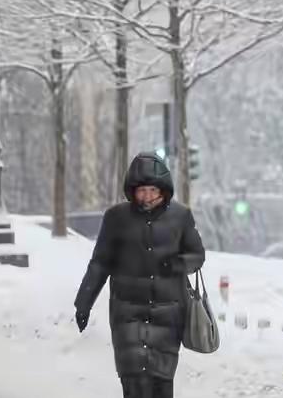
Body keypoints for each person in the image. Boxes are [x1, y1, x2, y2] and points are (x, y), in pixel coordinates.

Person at [74, 152, 206, 398]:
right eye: (142, 190)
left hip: (168, 316)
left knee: (161, 385)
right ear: (132, 190)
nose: (147, 196)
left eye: (152, 190)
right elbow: (100, 264)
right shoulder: (116, 218)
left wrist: (176, 264)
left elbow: (197, 256)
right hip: (128, 315)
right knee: (134, 385)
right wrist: (84, 303)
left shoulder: (181, 217)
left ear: (163, 190)